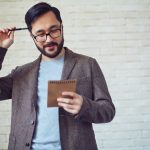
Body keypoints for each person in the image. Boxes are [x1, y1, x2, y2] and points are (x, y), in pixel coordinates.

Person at [0, 2, 115, 150]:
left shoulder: (87, 64)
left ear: (62, 27)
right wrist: (1, 49)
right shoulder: (21, 73)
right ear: (31, 36)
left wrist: (85, 106)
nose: (48, 39)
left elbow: (108, 111)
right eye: (40, 34)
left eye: (54, 30)